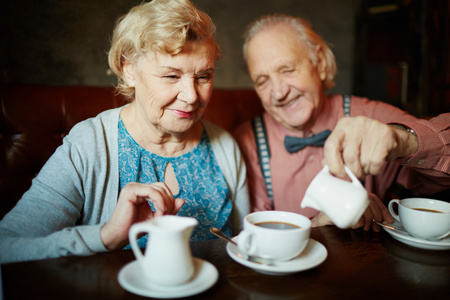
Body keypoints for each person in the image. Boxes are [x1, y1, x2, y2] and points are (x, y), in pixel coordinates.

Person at [0, 0, 249, 264]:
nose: (191, 96)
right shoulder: (90, 144)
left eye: (203, 77)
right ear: (129, 69)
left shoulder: (224, 146)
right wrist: (106, 236)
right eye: (171, 76)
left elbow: (244, 246)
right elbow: (7, 246)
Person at [234, 14, 450, 231]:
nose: (279, 92)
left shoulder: (368, 115)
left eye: (287, 70)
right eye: (262, 81)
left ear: (319, 64)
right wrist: (316, 226)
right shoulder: (246, 141)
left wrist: (403, 140)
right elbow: (256, 236)